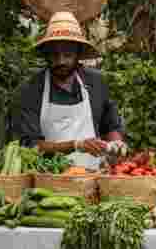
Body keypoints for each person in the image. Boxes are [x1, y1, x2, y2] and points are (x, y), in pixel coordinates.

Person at [11, 12, 128, 168]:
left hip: (94, 176)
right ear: (46, 54)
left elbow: (110, 125)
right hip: (48, 178)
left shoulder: (96, 82)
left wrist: (116, 144)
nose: (61, 61)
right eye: (54, 54)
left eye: (67, 54)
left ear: (78, 54)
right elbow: (30, 146)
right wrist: (76, 145)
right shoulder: (31, 89)